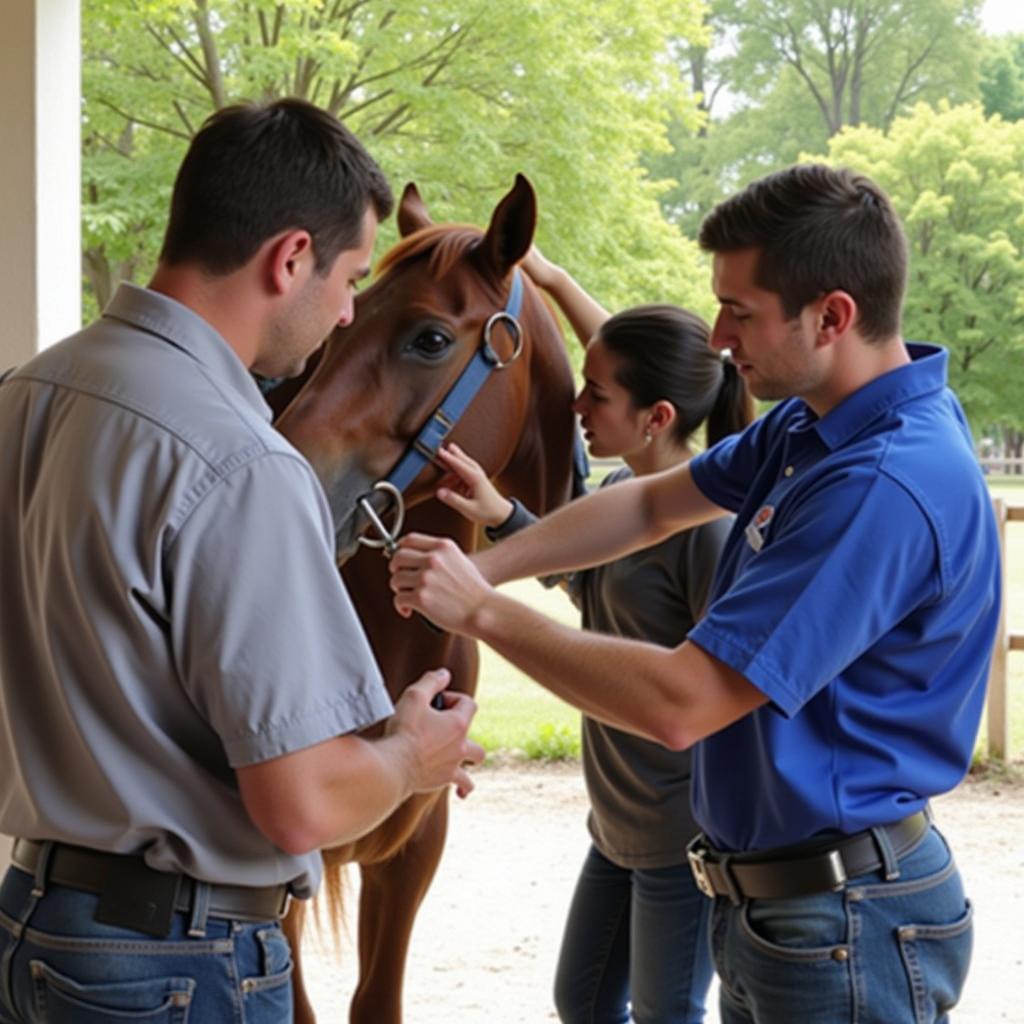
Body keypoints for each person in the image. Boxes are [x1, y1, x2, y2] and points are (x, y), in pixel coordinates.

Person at [388, 164, 1001, 1023]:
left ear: (832, 316)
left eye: (740, 311)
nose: (717, 336)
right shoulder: (813, 425)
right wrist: (484, 566)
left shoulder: (880, 484)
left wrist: (483, 612)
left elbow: (685, 702)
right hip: (786, 906)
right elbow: (646, 505)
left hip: (843, 923)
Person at [0, 98, 483, 1024]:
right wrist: (411, 756)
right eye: (347, 278)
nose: (347, 312)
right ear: (288, 257)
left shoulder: (29, 394)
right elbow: (300, 806)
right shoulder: (241, 460)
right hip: (174, 966)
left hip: (34, 926)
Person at [432, 249, 753, 1023]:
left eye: (596, 395)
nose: (577, 406)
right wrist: (501, 515)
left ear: (657, 417)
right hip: (617, 824)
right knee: (581, 1001)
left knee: (664, 1012)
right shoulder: (618, 492)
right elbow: (590, 580)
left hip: (684, 838)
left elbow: (726, 696)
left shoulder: (709, 531)